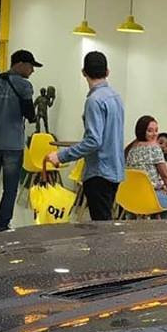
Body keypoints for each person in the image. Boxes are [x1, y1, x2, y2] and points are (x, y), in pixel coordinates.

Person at [46, 51, 125, 221]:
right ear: (107, 71)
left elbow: (93, 141)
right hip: (115, 169)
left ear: (83, 72)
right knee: (105, 221)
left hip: (99, 172)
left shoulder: (94, 101)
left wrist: (61, 156)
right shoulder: (116, 97)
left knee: (101, 225)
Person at [0, 50, 40, 234]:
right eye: (30, 66)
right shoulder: (25, 85)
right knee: (10, 188)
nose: (32, 71)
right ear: (20, 64)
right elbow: (30, 115)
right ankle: (2, 225)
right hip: (13, 144)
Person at [124, 116, 167, 219]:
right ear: (142, 131)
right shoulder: (154, 148)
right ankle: (157, 224)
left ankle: (152, 220)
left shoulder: (131, 148)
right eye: (150, 131)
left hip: (130, 197)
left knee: (162, 195)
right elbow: (165, 176)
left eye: (156, 130)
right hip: (149, 197)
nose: (155, 134)